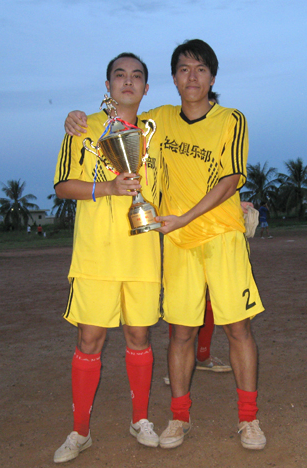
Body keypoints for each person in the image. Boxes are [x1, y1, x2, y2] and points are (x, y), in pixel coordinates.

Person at [64, 39, 266, 450]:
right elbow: (120, 113)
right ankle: (179, 417)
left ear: (212, 77)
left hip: (221, 235)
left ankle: (249, 419)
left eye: (201, 69)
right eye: (184, 69)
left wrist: (186, 217)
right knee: (181, 333)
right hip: (176, 243)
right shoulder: (157, 121)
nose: (192, 77)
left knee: (238, 328)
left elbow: (230, 179)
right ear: (173, 78)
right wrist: (76, 117)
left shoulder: (231, 119)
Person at [52, 53, 161, 464]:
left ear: (146, 88)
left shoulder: (156, 132)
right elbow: (63, 186)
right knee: (89, 340)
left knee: (139, 337)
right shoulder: (84, 128)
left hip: (142, 253)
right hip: (96, 255)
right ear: (108, 85)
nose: (128, 82)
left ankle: (140, 420)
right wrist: (108, 189)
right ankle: (80, 431)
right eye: (120, 75)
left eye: (136, 76)